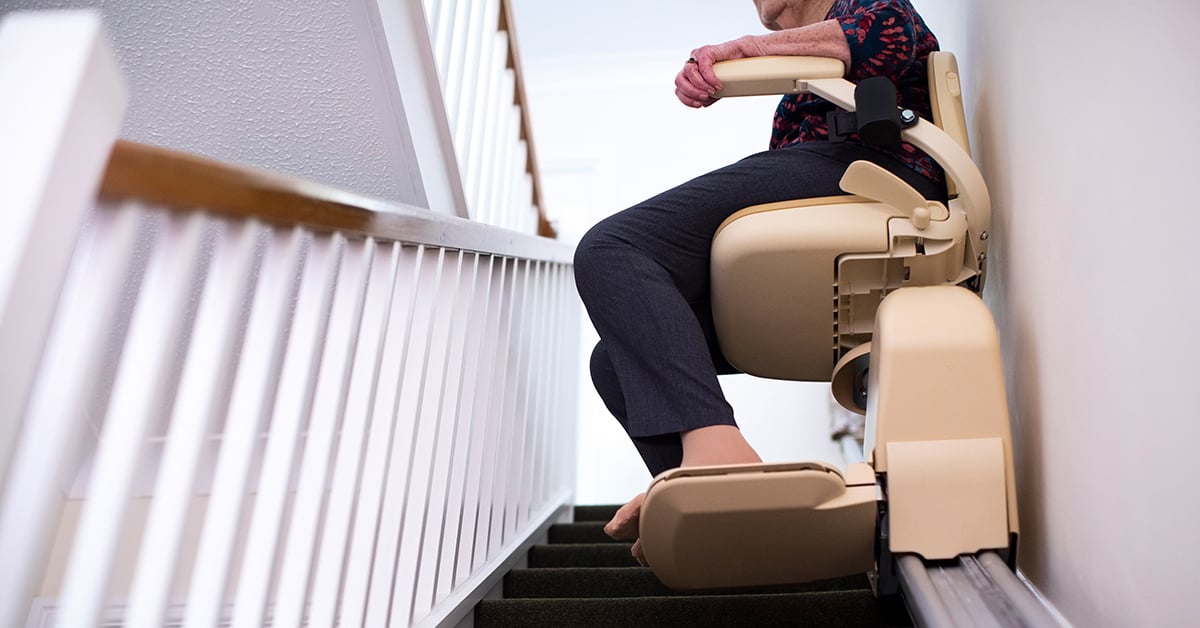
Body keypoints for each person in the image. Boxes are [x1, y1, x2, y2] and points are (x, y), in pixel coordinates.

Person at [572, 0, 945, 563]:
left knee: (612, 248)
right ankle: (711, 504)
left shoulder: (872, 6)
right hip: (830, 209)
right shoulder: (801, 84)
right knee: (615, 360)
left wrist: (741, 50)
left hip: (875, 173)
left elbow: (887, 35)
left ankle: (719, 456)